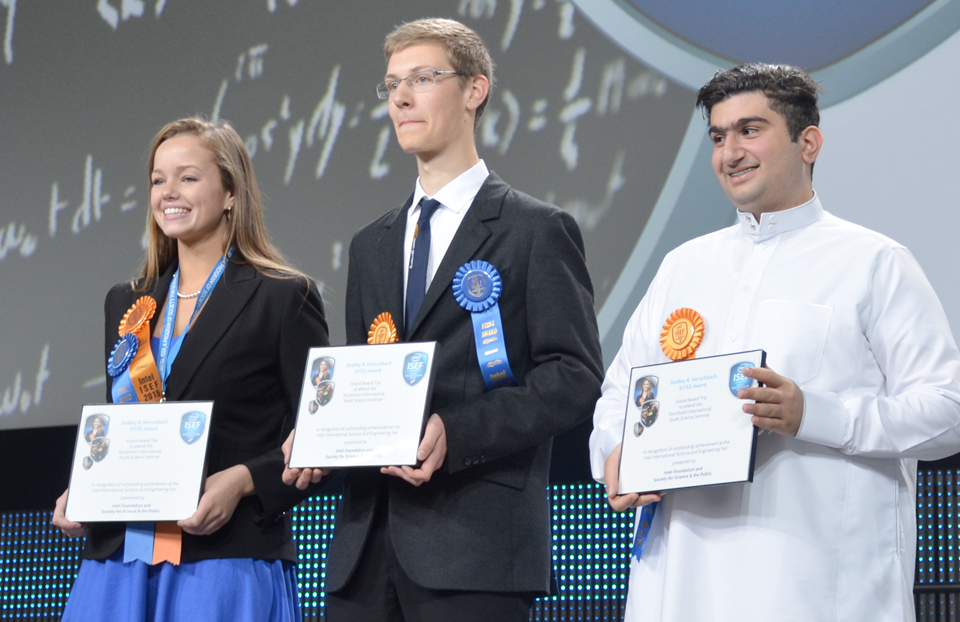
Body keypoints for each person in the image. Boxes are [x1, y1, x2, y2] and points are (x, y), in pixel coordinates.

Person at [589, 63, 960, 621]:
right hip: (683, 579)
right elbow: (620, 392)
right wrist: (616, 458)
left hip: (818, 583)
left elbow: (947, 411)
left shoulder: (874, 262)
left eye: (750, 130)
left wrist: (815, 413)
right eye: (717, 137)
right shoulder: (683, 265)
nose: (729, 152)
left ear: (808, 142)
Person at [283, 18, 603, 622]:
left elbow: (573, 376)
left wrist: (458, 433)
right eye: (391, 85)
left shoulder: (535, 230)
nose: (400, 97)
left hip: (475, 544)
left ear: (474, 90)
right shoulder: (370, 243)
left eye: (423, 79)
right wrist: (321, 436)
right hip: (364, 548)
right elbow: (368, 377)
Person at [52, 117, 329, 621]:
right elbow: (125, 425)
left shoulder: (283, 298)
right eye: (158, 179)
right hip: (119, 562)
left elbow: (321, 440)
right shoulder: (127, 302)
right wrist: (86, 490)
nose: (168, 193)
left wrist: (244, 480)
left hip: (222, 562)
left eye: (188, 177)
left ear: (230, 192)